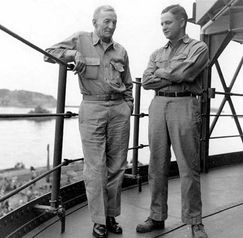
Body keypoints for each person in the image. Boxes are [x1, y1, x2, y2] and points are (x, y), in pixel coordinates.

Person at [44, 5, 133, 238]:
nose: (111, 26)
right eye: (106, 22)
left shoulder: (121, 51)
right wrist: (73, 54)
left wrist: (128, 107)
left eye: (114, 22)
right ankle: (99, 220)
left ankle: (111, 216)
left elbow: (129, 84)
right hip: (92, 107)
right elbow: (48, 53)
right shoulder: (80, 39)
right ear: (95, 22)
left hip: (119, 110)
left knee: (117, 166)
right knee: (95, 168)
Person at [136, 4, 209, 238]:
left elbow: (185, 74)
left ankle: (195, 222)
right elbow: (146, 81)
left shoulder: (199, 47)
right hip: (158, 106)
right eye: (161, 24)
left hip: (184, 104)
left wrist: (162, 72)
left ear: (181, 22)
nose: (163, 28)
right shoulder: (156, 53)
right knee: (156, 165)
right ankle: (156, 216)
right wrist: (171, 72)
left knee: (188, 167)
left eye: (167, 23)